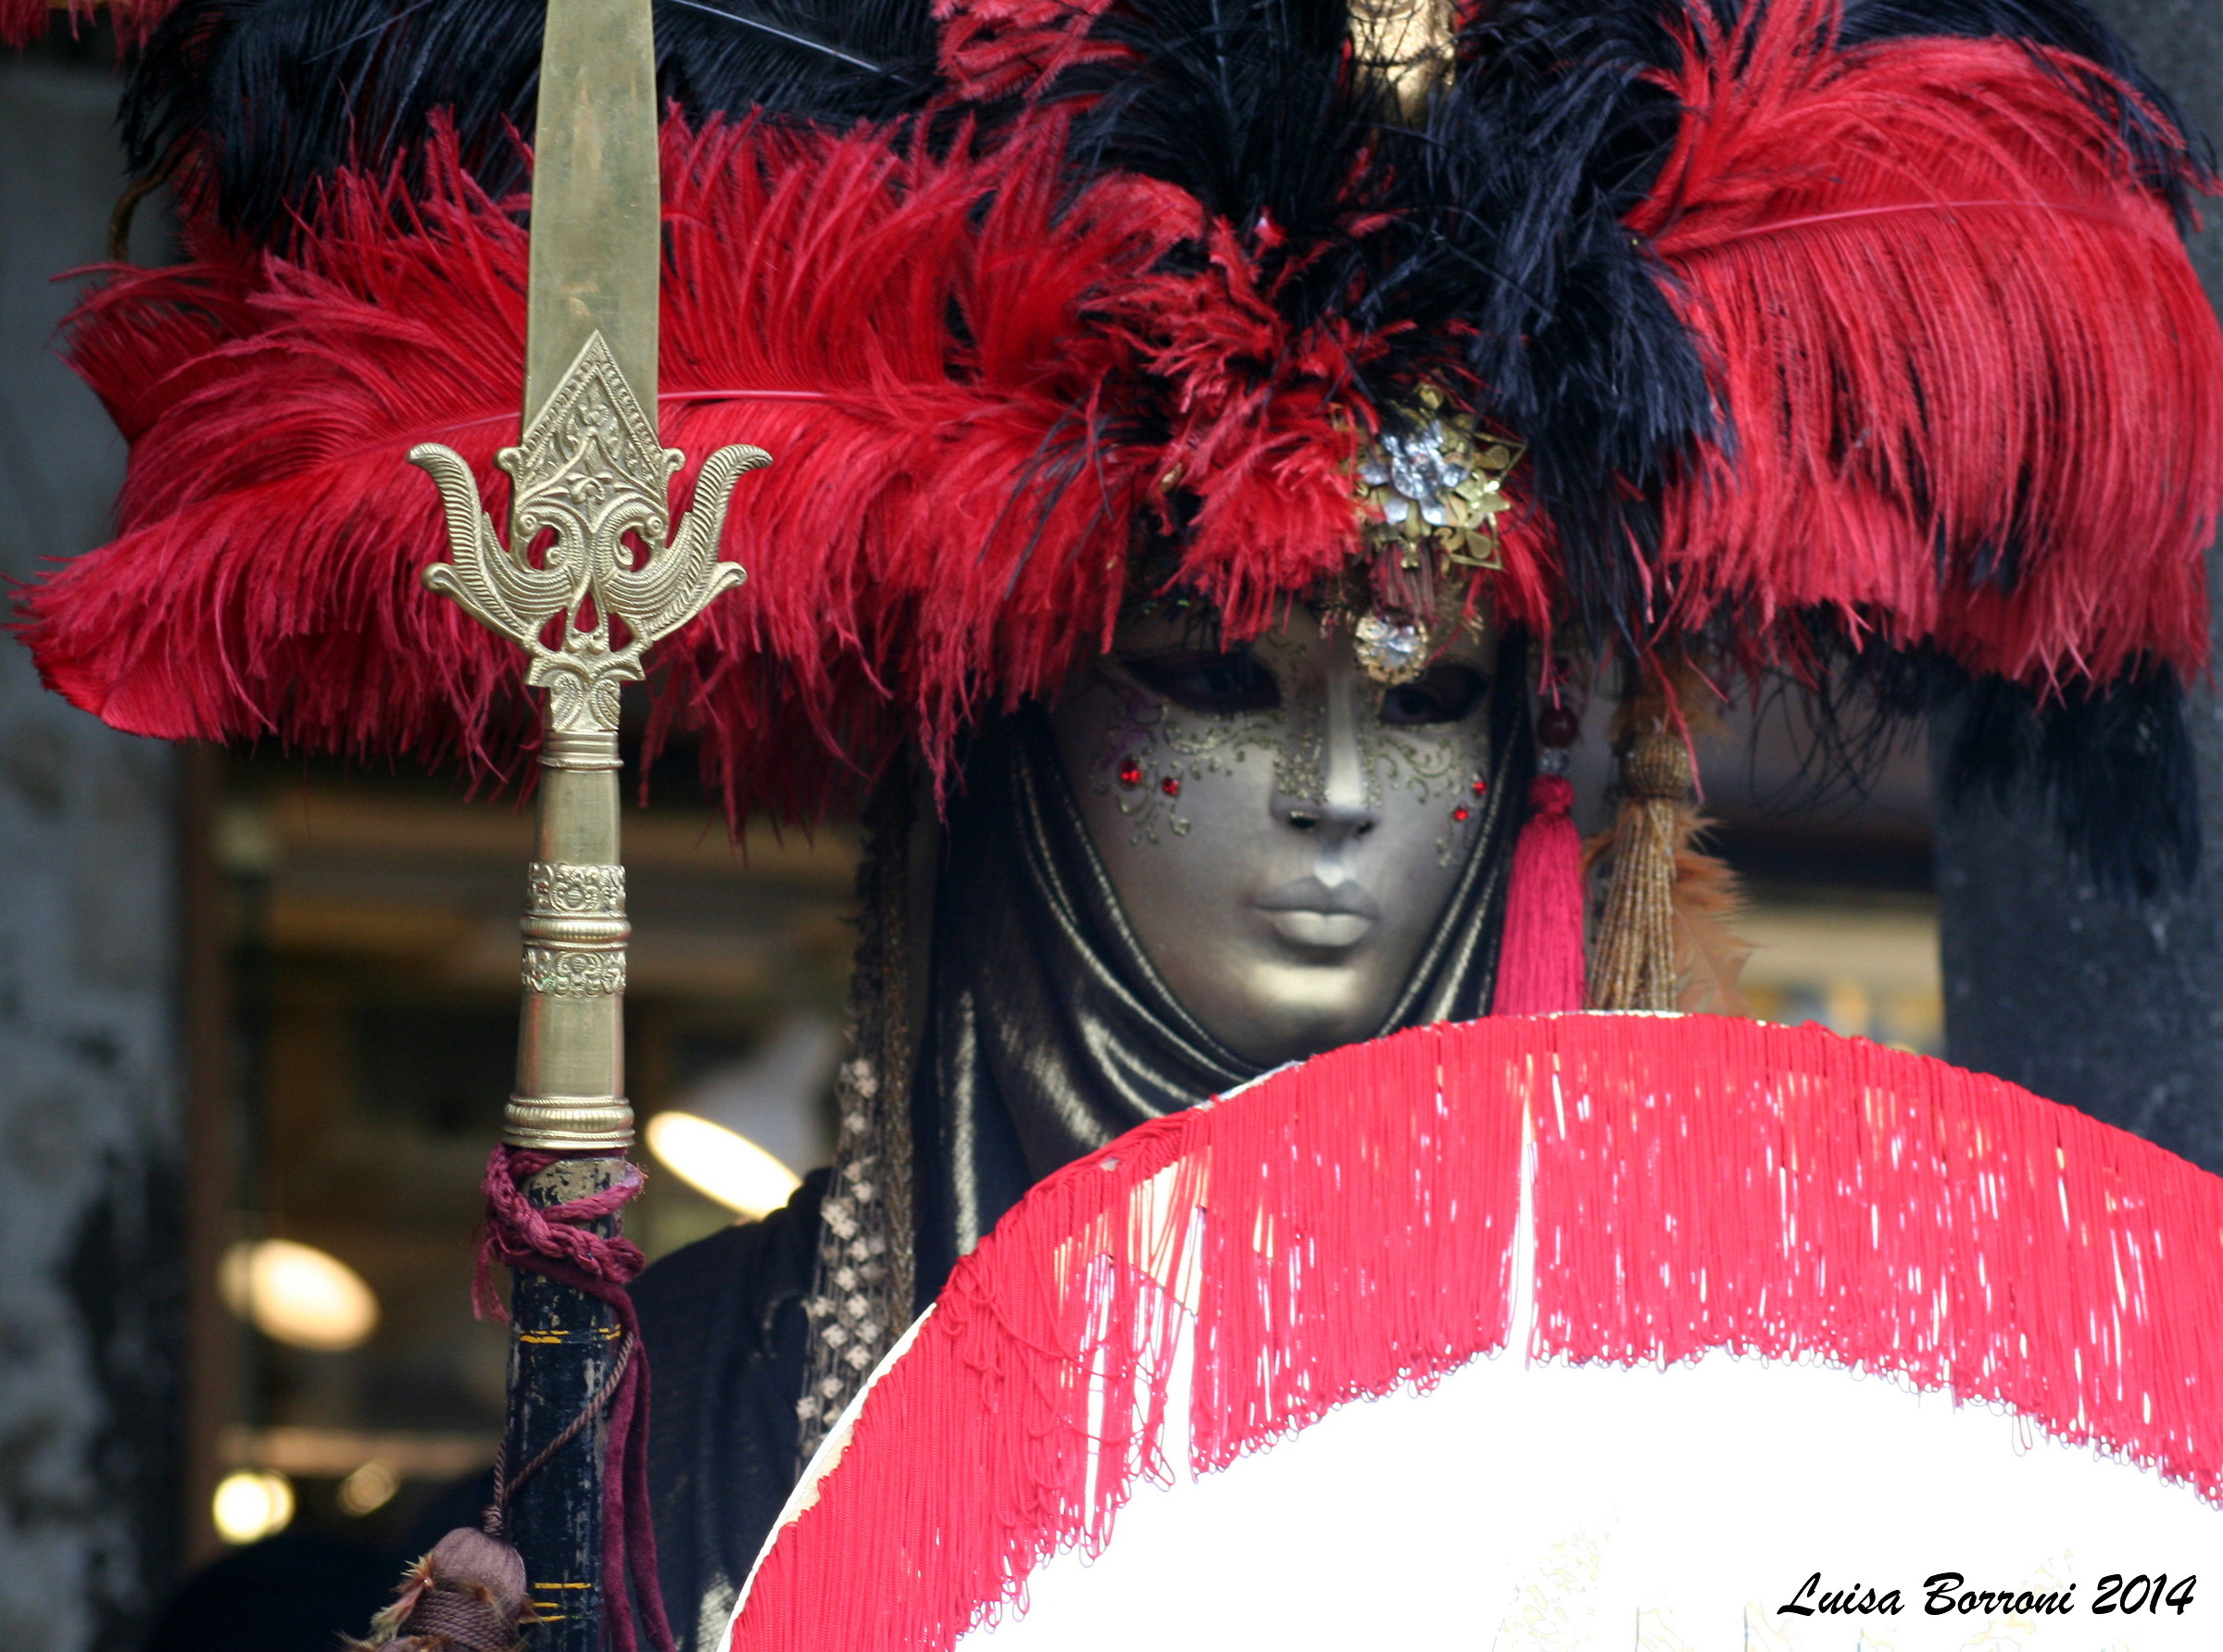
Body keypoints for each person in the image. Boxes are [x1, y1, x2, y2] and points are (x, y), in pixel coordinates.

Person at [13, 2, 2222, 1647]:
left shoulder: (1743, 1382)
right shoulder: (677, 1411)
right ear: (1025, 737)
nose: (1335, 795)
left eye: (1428, 700)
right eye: (1214, 683)